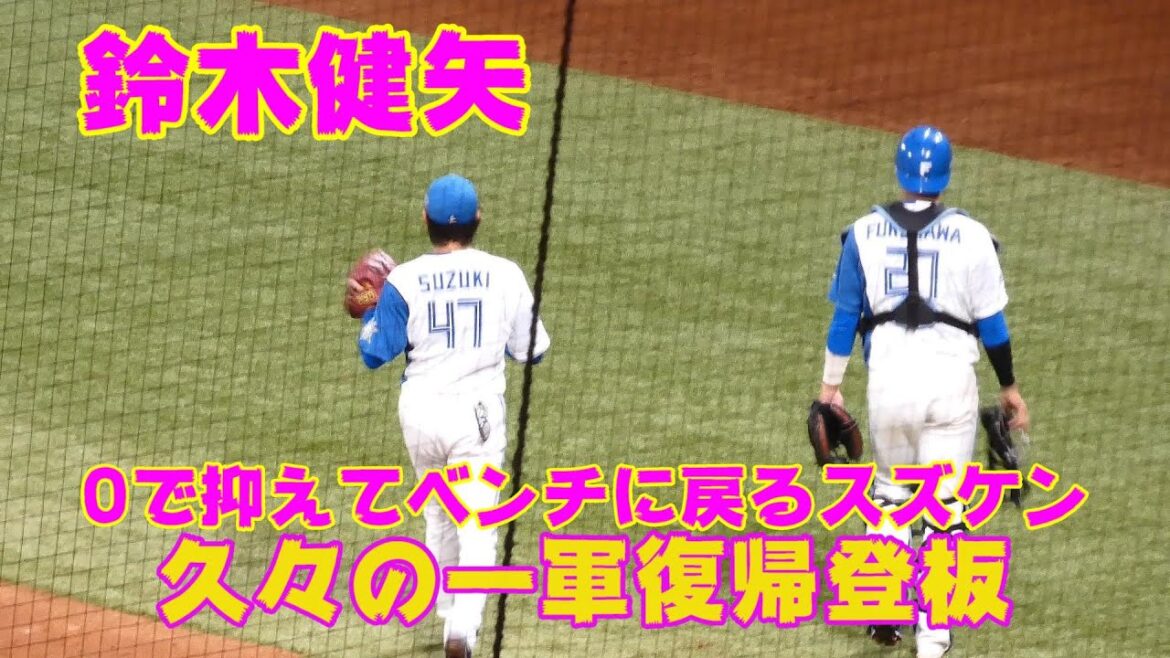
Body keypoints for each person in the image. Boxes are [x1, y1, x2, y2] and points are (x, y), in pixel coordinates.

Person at [817, 125, 1029, 658]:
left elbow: (845, 319)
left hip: (889, 384)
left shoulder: (863, 232)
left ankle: (884, 607)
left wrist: (830, 388)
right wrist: (1009, 389)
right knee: (945, 507)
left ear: (899, 172)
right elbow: (994, 328)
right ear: (947, 176)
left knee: (891, 495)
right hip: (950, 386)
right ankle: (933, 640)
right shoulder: (974, 236)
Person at [353, 173, 550, 658]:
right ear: (478, 219)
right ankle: (462, 628)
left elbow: (375, 353)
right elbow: (532, 350)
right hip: (474, 418)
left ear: (426, 219)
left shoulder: (404, 279)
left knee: (440, 508)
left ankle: (446, 612)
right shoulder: (505, 273)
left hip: (419, 414)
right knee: (479, 521)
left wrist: (370, 312)